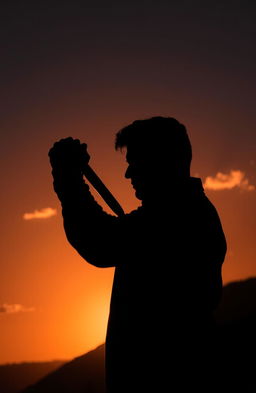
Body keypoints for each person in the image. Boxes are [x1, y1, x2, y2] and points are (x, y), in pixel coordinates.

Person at [49, 117, 227, 392]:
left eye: (136, 162)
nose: (128, 174)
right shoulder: (187, 211)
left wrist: (68, 178)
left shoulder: (176, 217)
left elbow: (99, 241)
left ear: (164, 160)